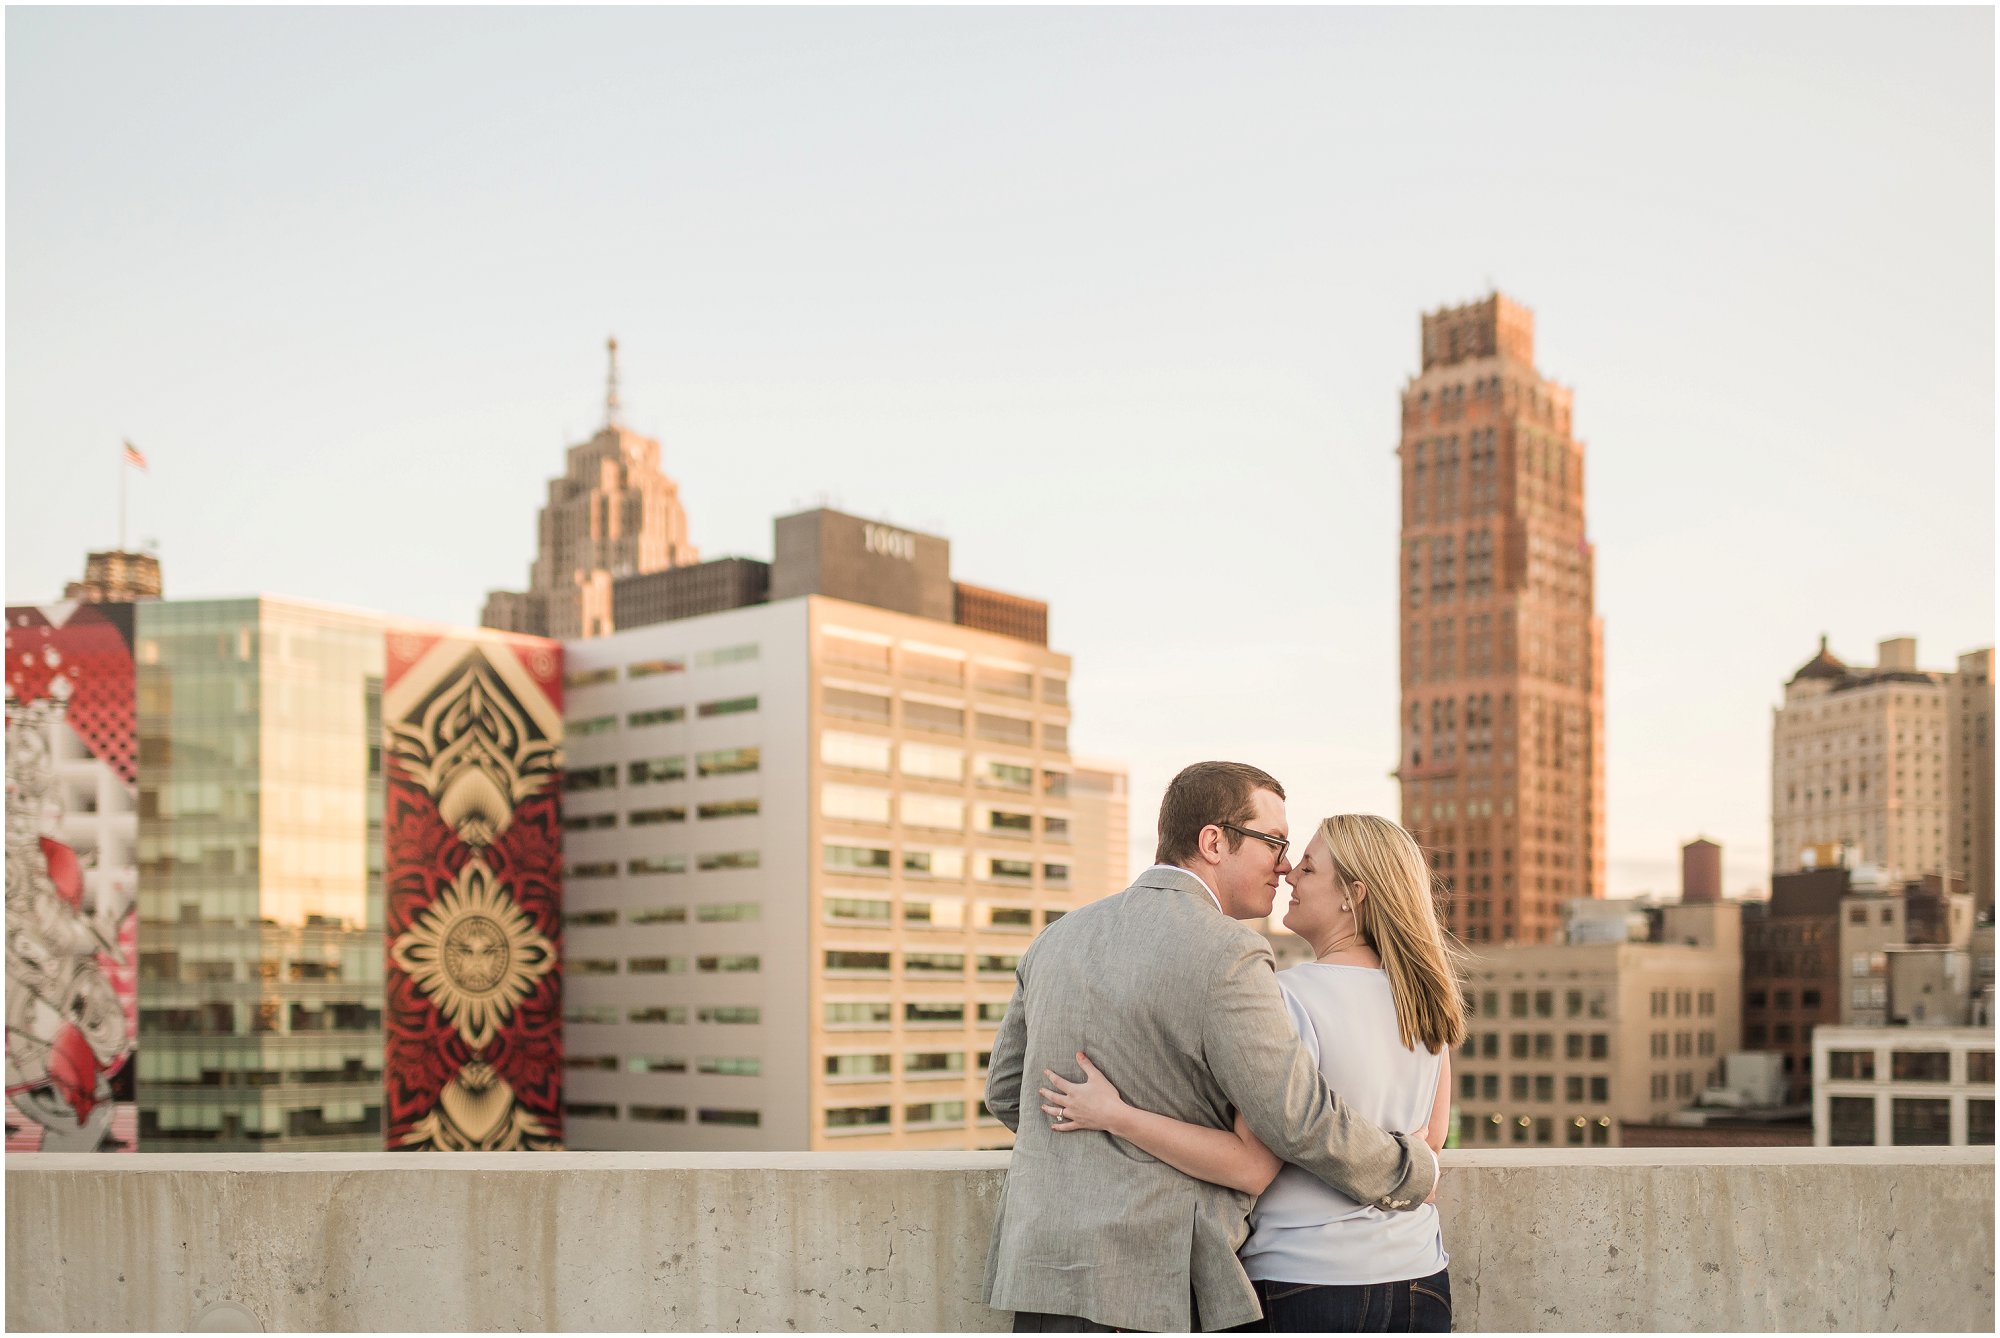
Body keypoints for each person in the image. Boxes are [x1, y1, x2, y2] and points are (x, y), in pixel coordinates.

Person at [982, 764, 1440, 1333]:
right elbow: (1296, 1121)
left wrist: (1102, 1127)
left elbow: (1007, 1094)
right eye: (1274, 842)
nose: (1283, 863)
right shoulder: (1230, 952)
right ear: (1213, 841)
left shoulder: (1057, 937)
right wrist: (1411, 1169)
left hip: (1046, 1271)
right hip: (1161, 1281)